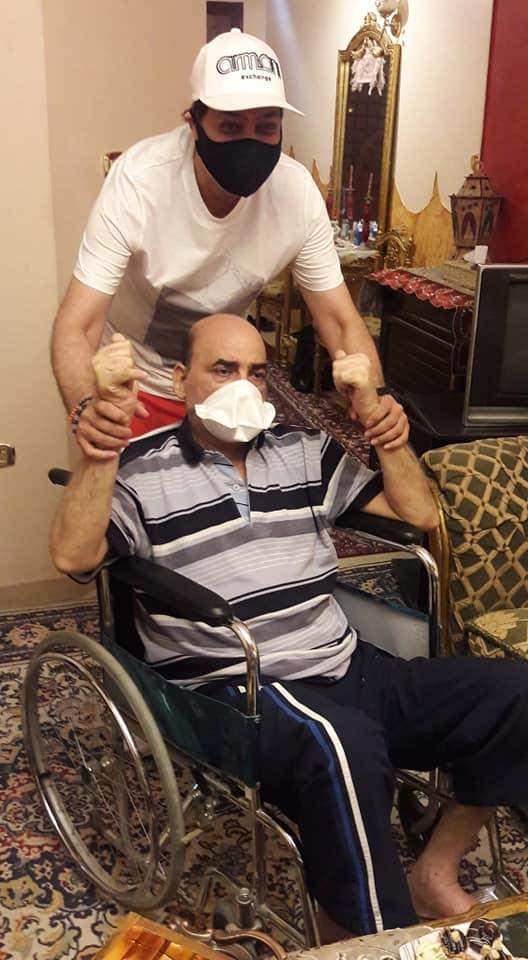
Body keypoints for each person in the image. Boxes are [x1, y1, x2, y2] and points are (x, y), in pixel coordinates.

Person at [50, 316, 528, 941]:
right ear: (180, 379)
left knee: (513, 692)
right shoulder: (140, 469)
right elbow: (74, 556)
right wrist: (100, 449)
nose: (242, 386)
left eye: (256, 373)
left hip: (343, 662)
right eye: (223, 369)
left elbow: (419, 514)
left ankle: (433, 872)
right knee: (344, 743)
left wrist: (382, 425)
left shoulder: (305, 450)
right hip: (239, 686)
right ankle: (374, 941)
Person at [50, 27, 409, 463]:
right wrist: (85, 407)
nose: (249, 141)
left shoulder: (295, 195)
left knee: (233, 499)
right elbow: (77, 325)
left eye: (266, 126)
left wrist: (379, 397)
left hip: (226, 384)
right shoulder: (139, 181)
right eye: (231, 126)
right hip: (137, 388)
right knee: (129, 502)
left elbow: (340, 319)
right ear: (193, 124)